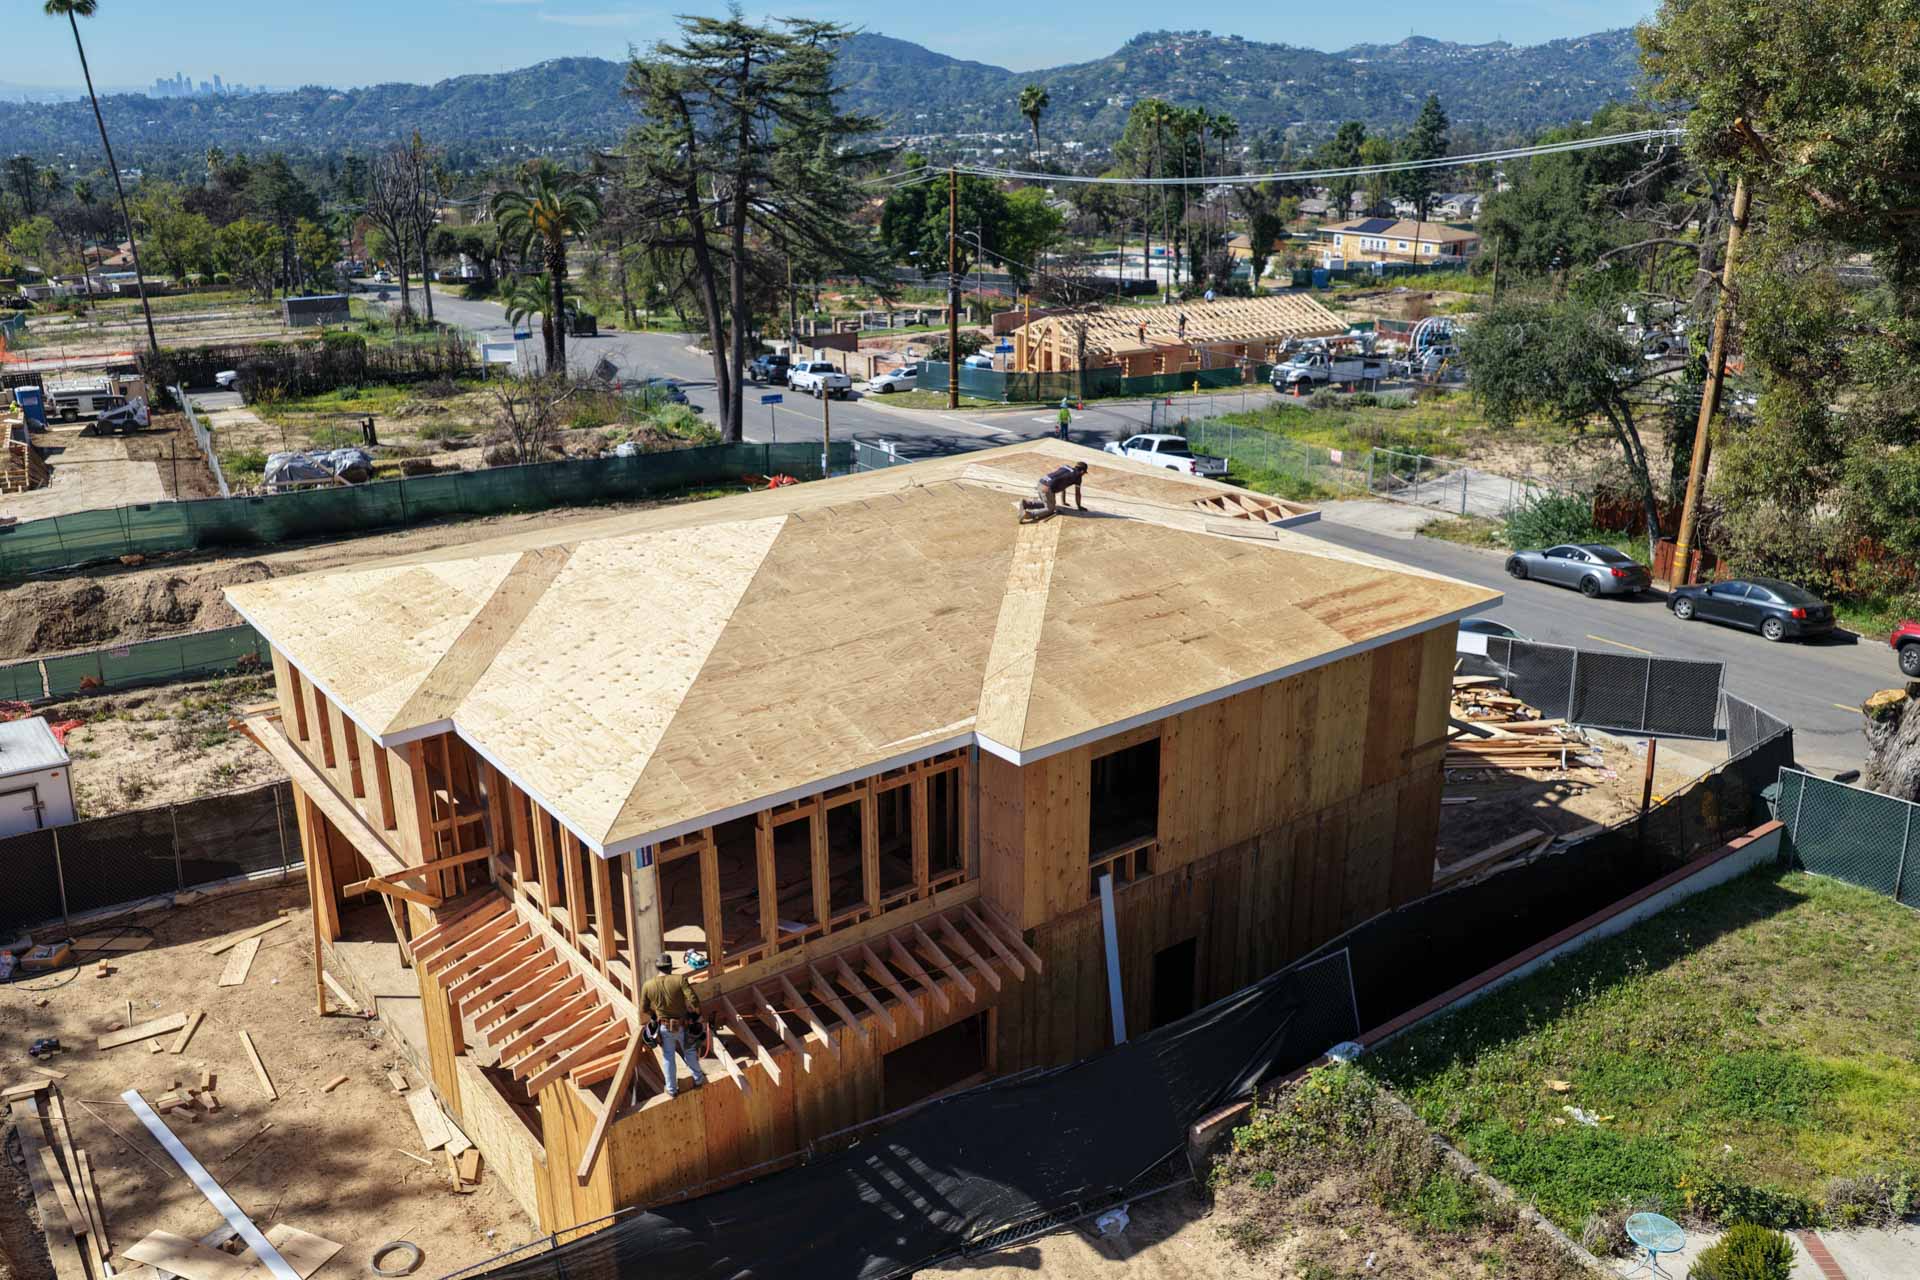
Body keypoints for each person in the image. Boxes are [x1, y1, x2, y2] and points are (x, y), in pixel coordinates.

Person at [640, 952, 707, 1097]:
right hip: (683, 1025)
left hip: (664, 1027)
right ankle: (698, 1079)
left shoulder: (648, 985)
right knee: (689, 1052)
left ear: (657, 967)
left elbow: (643, 1009)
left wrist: (654, 1015)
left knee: (668, 1057)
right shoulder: (679, 979)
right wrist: (697, 1015)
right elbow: (693, 999)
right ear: (670, 967)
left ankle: (671, 1089)